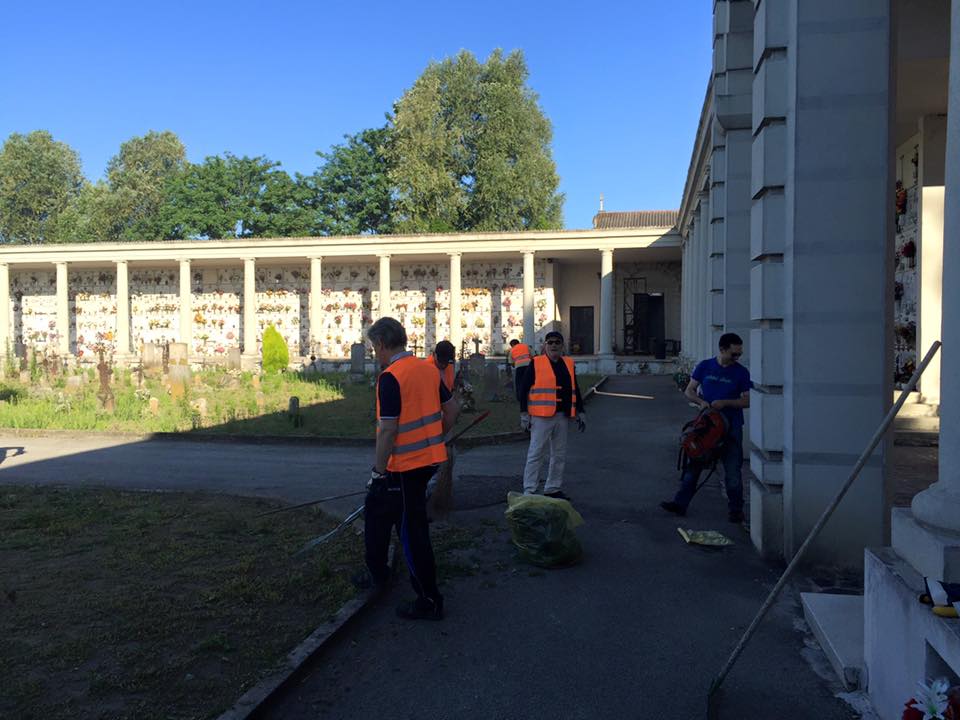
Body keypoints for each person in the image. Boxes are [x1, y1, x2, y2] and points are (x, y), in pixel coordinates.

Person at [365, 317, 459, 620]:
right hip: (427, 461)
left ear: (381, 343)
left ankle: (429, 600)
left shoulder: (391, 377)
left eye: (373, 347)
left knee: (412, 532)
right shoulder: (428, 370)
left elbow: (388, 430)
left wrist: (378, 472)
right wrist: (435, 436)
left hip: (403, 467)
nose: (374, 353)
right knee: (380, 517)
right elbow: (453, 409)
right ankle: (377, 571)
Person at [660, 332, 752, 523]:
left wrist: (726, 402)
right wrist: (701, 402)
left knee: (733, 471)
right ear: (722, 349)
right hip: (707, 426)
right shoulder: (705, 366)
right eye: (734, 354)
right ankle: (680, 504)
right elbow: (689, 390)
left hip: (731, 428)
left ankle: (736, 511)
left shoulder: (741, 372)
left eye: (739, 354)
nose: (737, 357)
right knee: (694, 464)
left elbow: (747, 400)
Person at [517, 331, 585, 500]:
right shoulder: (536, 363)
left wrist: (581, 411)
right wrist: (524, 414)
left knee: (559, 454)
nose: (554, 345)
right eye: (550, 342)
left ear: (562, 346)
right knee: (536, 453)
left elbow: (575, 388)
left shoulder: (568, 363)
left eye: (557, 342)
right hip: (540, 417)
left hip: (562, 416)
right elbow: (523, 389)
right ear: (545, 345)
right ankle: (529, 490)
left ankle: (553, 488)